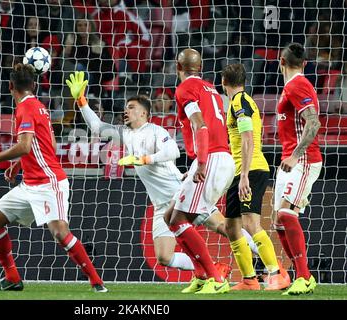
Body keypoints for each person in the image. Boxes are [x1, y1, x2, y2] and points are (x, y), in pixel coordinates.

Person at [66, 71, 235, 294]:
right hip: (159, 204)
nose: (126, 110)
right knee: (164, 257)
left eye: (132, 107)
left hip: (177, 192)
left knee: (223, 226)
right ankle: (209, 270)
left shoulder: (156, 131)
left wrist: (143, 159)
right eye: (126, 107)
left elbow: (173, 151)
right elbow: (97, 127)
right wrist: (81, 101)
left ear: (145, 113)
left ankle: (261, 262)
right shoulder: (124, 133)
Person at [0, 64, 108, 293]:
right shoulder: (39, 106)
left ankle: (96, 282)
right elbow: (47, 143)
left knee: (60, 232)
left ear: (10, 87)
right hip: (29, 183)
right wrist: (17, 165)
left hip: (49, 182)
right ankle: (12, 278)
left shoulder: (25, 109)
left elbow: (25, 146)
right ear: (34, 84)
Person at [164, 48, 235, 294]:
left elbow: (201, 126)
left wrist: (201, 163)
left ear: (178, 67)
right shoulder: (210, 88)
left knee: (179, 220)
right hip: (218, 156)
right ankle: (202, 274)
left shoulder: (185, 89)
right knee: (170, 216)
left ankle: (215, 277)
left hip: (211, 158)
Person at [221, 63, 290, 291]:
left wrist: (244, 177)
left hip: (251, 171)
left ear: (223, 82)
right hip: (239, 171)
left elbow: (248, 138)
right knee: (232, 226)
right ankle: (250, 279)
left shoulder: (240, 102)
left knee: (250, 223)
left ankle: (276, 273)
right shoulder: (239, 102)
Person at [273, 43, 322, 295]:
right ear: (304, 63)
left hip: (302, 161)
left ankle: (305, 277)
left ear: (281, 62)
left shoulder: (297, 85)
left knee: (286, 215)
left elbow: (314, 122)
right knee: (279, 221)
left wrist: (295, 156)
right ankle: (301, 276)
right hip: (290, 160)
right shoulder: (291, 86)